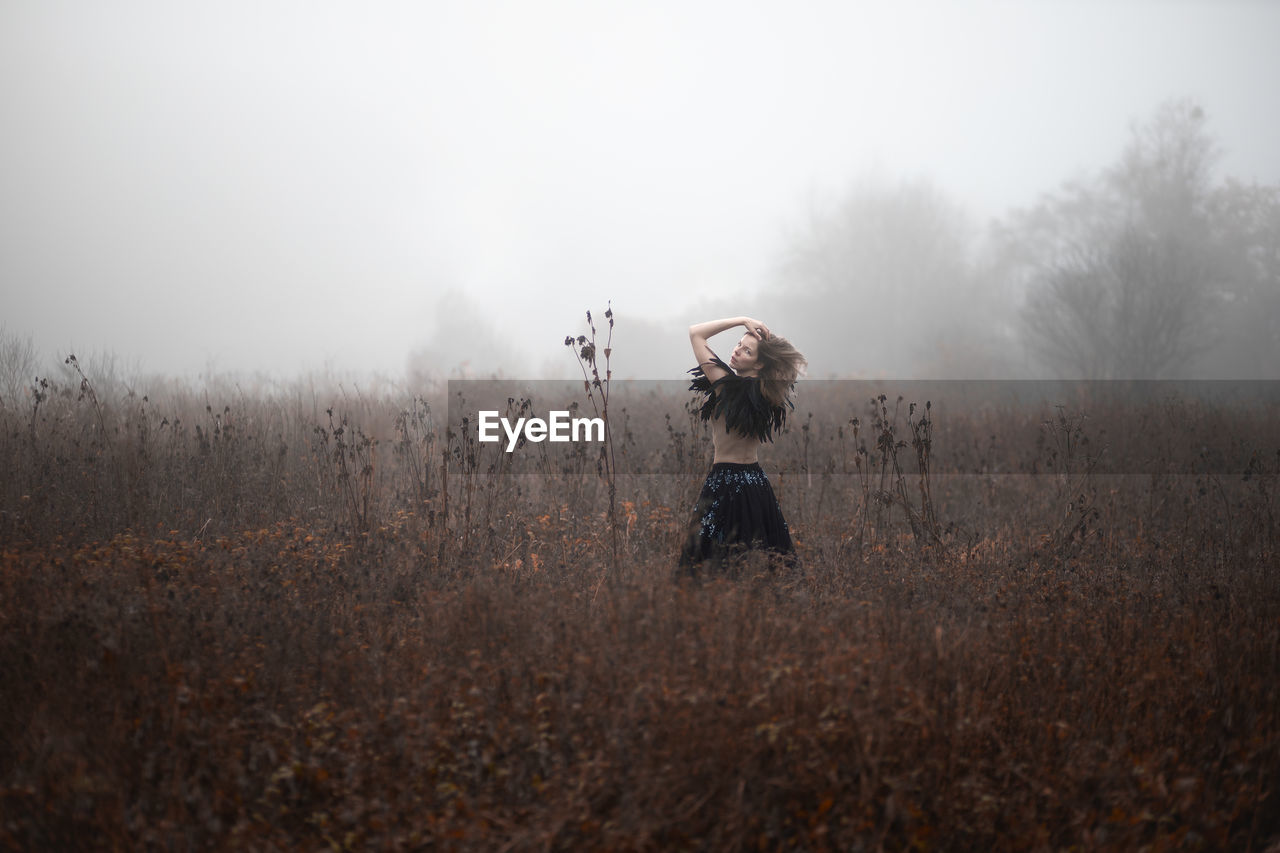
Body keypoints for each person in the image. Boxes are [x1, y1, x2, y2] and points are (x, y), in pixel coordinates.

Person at [677, 316, 807, 577]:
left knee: (708, 567)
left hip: (725, 482)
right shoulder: (766, 394)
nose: (737, 350)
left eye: (746, 351)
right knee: (764, 564)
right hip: (756, 484)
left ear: (758, 363)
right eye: (738, 344)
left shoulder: (726, 386)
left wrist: (741, 320)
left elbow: (696, 334)